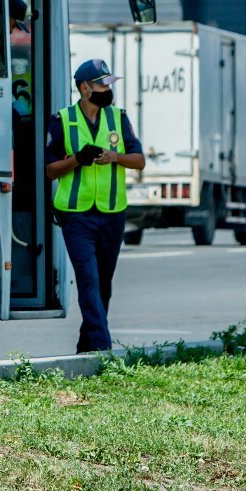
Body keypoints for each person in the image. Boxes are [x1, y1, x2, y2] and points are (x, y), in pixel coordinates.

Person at [45, 59, 147, 353]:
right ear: (84, 88)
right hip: (76, 215)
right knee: (88, 279)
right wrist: (78, 158)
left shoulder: (118, 117)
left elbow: (139, 160)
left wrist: (115, 157)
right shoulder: (62, 120)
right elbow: (50, 170)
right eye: (102, 84)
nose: (108, 89)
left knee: (103, 284)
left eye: (109, 84)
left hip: (112, 214)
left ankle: (85, 348)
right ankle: (103, 349)